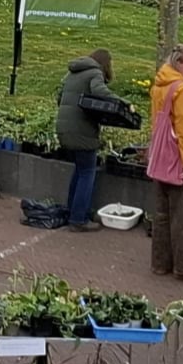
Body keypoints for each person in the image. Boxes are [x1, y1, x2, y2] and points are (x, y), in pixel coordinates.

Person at [147, 42, 183, 278]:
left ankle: (160, 263)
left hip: (159, 156)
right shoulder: (181, 89)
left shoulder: (159, 85)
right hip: (176, 158)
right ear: (179, 64)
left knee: (161, 213)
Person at [55, 49, 120, 232]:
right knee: (87, 172)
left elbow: (59, 97)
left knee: (79, 170)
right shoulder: (95, 73)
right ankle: (78, 219)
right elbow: (100, 91)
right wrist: (122, 103)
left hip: (64, 128)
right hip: (82, 131)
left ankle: (74, 211)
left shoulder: (72, 72)